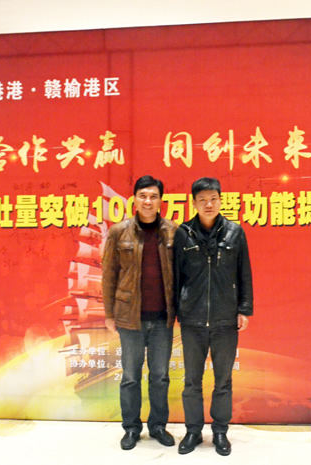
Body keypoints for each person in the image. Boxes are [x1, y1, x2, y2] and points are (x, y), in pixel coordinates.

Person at [173, 177, 253, 456]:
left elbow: (244, 273)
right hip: (192, 321)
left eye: (213, 199)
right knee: (191, 381)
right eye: (202, 200)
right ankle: (193, 431)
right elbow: (176, 277)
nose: (208, 204)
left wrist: (244, 309)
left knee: (223, 381)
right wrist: (176, 311)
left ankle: (220, 431)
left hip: (225, 320)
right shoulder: (183, 233)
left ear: (220, 200)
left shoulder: (235, 232)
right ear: (194, 203)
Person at [101, 175, 178, 450]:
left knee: (160, 376)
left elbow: (181, 275)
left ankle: (158, 426)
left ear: (161, 201)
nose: (148, 201)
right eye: (143, 196)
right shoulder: (118, 232)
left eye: (153, 196)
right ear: (134, 199)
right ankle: (131, 428)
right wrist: (109, 314)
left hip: (162, 319)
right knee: (131, 376)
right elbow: (109, 275)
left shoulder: (173, 232)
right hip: (129, 318)